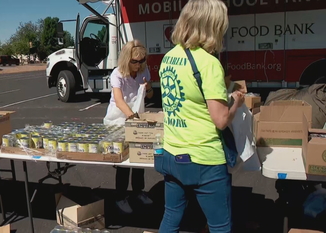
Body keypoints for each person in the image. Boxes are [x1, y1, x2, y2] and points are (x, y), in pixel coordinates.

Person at [155, 0, 245, 232]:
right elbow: (221, 120)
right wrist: (236, 102)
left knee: (171, 216)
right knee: (220, 226)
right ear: (212, 26)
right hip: (204, 159)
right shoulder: (210, 64)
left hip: (172, 153)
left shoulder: (168, 58)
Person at [103, 40, 154, 214]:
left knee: (139, 158)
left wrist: (148, 88)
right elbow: (119, 100)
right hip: (119, 119)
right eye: (135, 61)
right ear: (126, 59)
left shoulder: (143, 70)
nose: (138, 65)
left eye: (142, 61)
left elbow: (151, 94)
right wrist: (132, 119)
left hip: (136, 117)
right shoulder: (117, 74)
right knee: (124, 162)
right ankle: (120, 197)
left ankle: (138, 191)